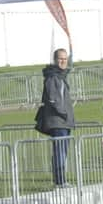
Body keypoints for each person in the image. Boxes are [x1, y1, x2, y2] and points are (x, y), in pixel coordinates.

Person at [41, 46, 75, 188]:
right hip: (59, 121)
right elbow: (53, 99)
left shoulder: (60, 77)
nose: (63, 61)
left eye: (65, 59)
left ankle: (60, 180)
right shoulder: (53, 77)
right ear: (55, 60)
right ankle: (60, 181)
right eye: (60, 59)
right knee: (60, 152)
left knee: (61, 152)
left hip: (63, 121)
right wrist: (64, 113)